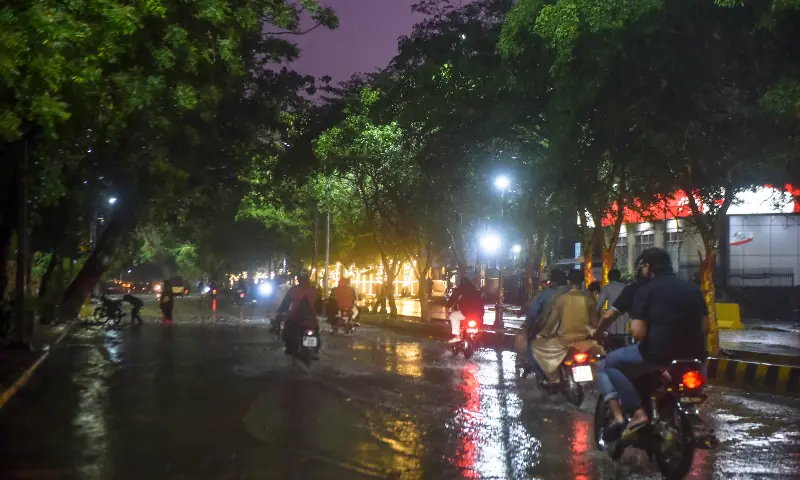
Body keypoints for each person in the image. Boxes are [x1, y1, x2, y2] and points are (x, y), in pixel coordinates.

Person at [595, 248, 709, 441]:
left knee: (610, 363)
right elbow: (706, 327)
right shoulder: (693, 289)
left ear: (647, 267)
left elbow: (637, 333)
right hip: (696, 357)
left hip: (658, 355)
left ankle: (637, 413)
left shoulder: (645, 290)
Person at [529, 269, 601, 383]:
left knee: (535, 345)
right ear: (582, 281)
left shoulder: (562, 299)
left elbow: (552, 322)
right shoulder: (589, 299)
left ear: (568, 281)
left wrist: (543, 333)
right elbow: (595, 323)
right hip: (584, 340)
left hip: (564, 341)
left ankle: (554, 378)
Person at [521, 270, 569, 374]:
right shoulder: (578, 293)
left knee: (532, 346)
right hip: (579, 334)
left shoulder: (549, 295)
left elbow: (535, 313)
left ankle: (539, 373)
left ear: (553, 282)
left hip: (556, 332)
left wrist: (530, 323)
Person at [277, 271, 322, 355]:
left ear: (298, 279)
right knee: (316, 329)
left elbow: (285, 303)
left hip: (296, 318)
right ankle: (315, 349)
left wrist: (281, 310)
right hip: (311, 318)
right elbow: (320, 306)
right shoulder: (315, 290)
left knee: (288, 329)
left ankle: (290, 349)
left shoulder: (294, 290)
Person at [446, 277, 484, 343]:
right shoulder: (475, 291)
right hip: (478, 315)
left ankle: (457, 337)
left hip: (466, 313)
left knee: (453, 316)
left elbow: (452, 299)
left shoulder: (460, 290)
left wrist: (448, 306)